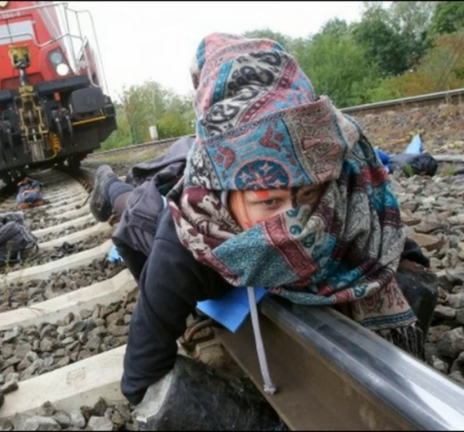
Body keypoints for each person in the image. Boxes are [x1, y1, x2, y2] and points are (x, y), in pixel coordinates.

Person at [89, 33, 437, 406]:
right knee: (136, 205)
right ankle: (107, 183)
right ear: (222, 195)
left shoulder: (346, 182)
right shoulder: (186, 234)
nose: (294, 225)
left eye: (306, 195)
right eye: (268, 201)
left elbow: (400, 253)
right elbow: (140, 380)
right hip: (161, 187)